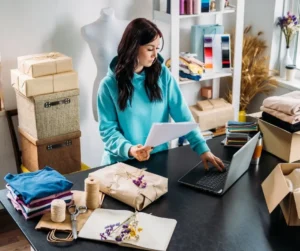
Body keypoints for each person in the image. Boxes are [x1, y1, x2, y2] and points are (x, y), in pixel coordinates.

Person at [97, 18, 225, 171]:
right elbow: (108, 131)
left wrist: (203, 149)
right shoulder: (108, 86)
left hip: (157, 160)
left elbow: (183, 115)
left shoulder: (163, 75)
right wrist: (131, 149)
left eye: (157, 48)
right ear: (133, 47)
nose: (155, 55)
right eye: (150, 49)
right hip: (122, 164)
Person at [81, 7, 129, 122]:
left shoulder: (127, 27)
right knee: (106, 132)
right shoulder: (88, 30)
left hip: (127, 88)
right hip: (103, 89)